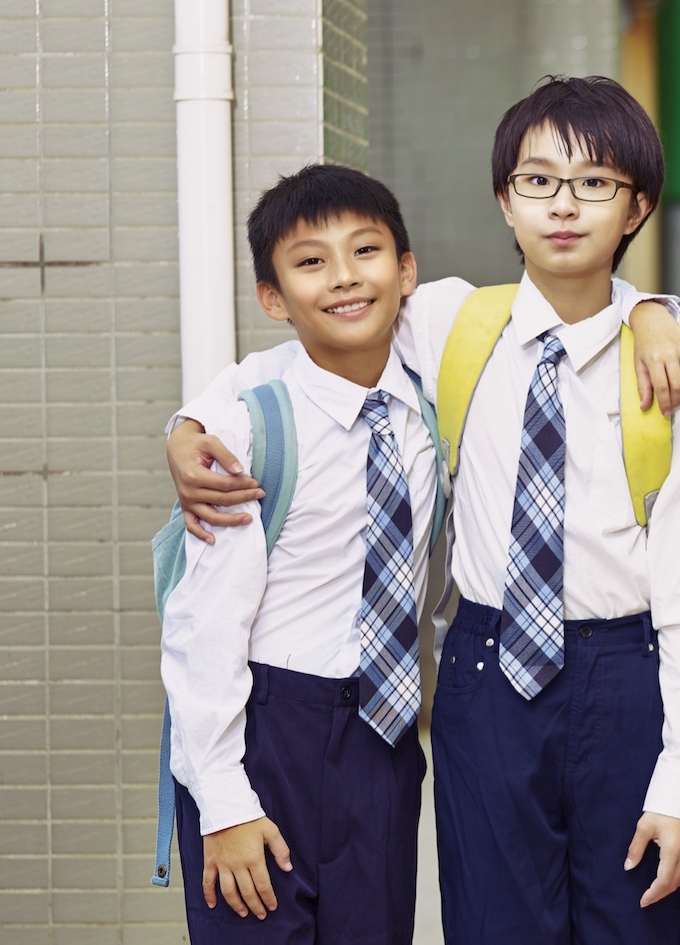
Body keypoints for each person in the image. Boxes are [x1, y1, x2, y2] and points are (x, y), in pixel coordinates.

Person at [165, 76, 680, 944]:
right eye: (538, 181)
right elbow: (311, 345)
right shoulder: (451, 320)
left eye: (596, 183)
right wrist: (190, 421)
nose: (564, 206)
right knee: (492, 923)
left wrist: (650, 311)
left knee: (633, 921)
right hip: (483, 671)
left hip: (628, 672)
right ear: (505, 200)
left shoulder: (672, 375)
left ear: (638, 204)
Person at [160, 164, 437, 943]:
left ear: (406, 269)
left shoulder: (429, 403)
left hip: (382, 737)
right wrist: (223, 797)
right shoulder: (251, 428)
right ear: (272, 297)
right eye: (311, 261)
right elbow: (201, 627)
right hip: (263, 730)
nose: (345, 278)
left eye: (367, 250)